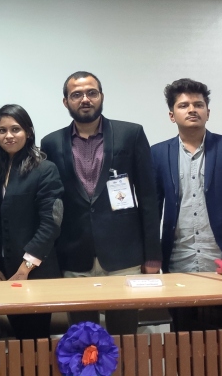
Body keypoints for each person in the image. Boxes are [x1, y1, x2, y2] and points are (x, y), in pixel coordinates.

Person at [40, 71, 161, 336]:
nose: (85, 99)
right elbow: (51, 205)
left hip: (124, 257)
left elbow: (148, 198)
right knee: (83, 338)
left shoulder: (131, 134)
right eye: (77, 94)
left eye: (91, 93)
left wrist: (153, 254)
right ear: (66, 102)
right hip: (74, 257)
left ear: (101, 96)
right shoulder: (50, 143)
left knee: (124, 337)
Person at [151, 78, 222, 330]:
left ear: (208, 112)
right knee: (183, 338)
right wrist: (150, 254)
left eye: (198, 104)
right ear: (172, 115)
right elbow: (153, 208)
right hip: (178, 263)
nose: (192, 109)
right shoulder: (158, 153)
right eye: (184, 105)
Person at [0, 104, 64, 340]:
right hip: (4, 270)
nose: (8, 136)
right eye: (2, 130)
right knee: (18, 339)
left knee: (35, 341)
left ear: (29, 132)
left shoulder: (44, 169)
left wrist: (25, 268)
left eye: (15, 129)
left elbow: (51, 223)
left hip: (35, 271)